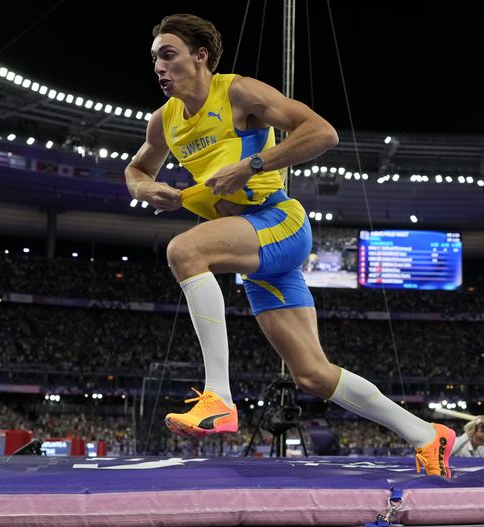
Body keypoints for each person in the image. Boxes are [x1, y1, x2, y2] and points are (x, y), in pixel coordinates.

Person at [124, 14, 456, 477]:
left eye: (168, 54)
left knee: (184, 251)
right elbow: (137, 170)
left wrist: (253, 164)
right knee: (313, 374)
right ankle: (427, 434)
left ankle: (217, 397)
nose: (158, 66)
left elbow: (322, 133)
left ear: (200, 56)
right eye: (154, 58)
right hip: (253, 251)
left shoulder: (239, 93)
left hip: (278, 222)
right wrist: (144, 190)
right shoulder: (163, 122)